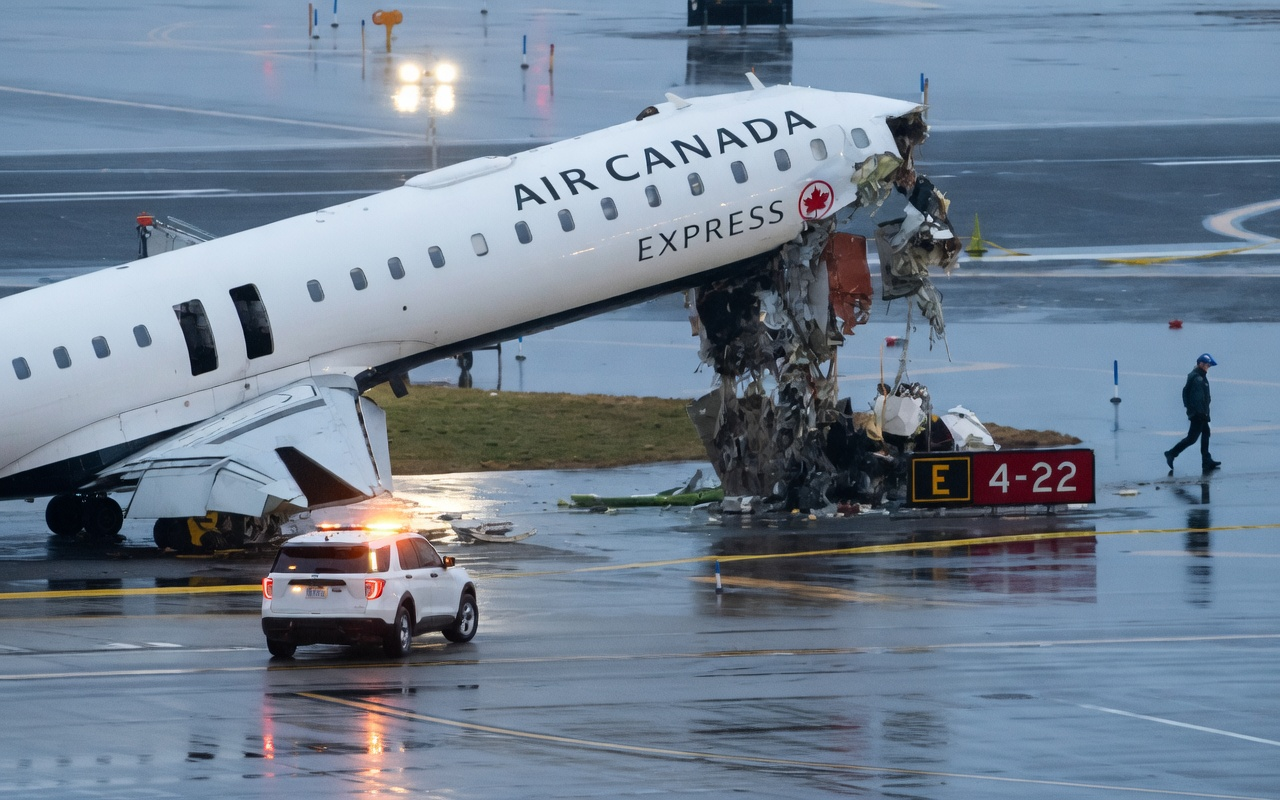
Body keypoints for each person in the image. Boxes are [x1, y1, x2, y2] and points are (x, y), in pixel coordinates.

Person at [1164, 353, 1220, 472]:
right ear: (1200, 364)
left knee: (1206, 433)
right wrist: (1200, 414)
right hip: (1198, 414)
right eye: (1206, 365)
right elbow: (1198, 398)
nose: (1208, 367)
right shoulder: (1198, 379)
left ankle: (1206, 460)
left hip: (1200, 413)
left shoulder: (1198, 376)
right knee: (1192, 438)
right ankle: (1171, 453)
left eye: (1209, 365)